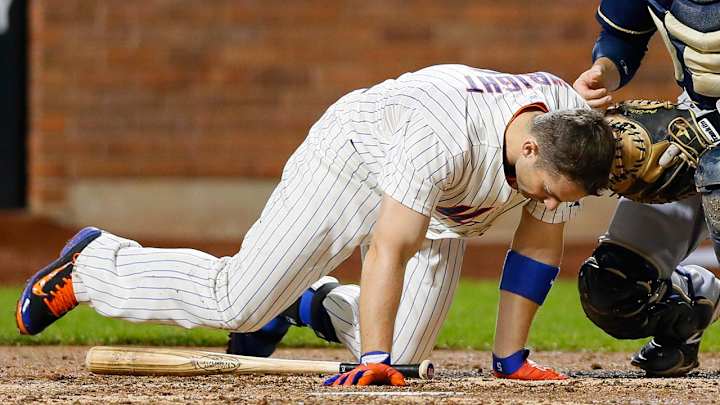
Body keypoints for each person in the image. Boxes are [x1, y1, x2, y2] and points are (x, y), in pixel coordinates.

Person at [17, 64, 615, 385]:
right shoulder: (444, 138)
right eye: (545, 189)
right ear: (530, 148)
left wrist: (511, 357)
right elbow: (388, 250)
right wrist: (371, 355)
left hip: (440, 200)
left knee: (406, 361)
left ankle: (304, 301)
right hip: (355, 159)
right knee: (237, 302)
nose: (547, 202)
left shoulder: (567, 133)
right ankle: (94, 266)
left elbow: (539, 245)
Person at [574, 0, 720, 377]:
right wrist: (601, 73)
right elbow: (622, 38)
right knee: (612, 287)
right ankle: (693, 307)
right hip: (696, 126)